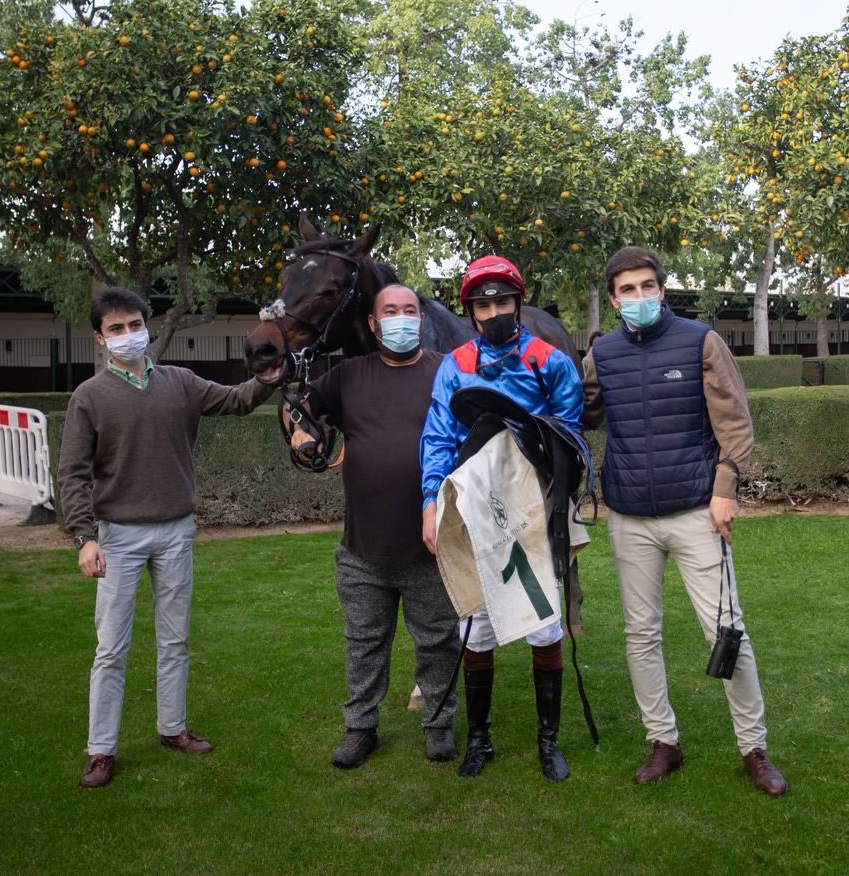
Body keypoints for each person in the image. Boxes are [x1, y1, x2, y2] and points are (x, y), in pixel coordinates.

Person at [581, 246, 788, 795]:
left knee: (726, 631)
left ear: (662, 289)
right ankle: (664, 742)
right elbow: (582, 412)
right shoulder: (601, 353)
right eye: (628, 289)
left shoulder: (701, 342)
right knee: (640, 635)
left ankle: (754, 747)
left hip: (698, 510)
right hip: (630, 517)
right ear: (613, 297)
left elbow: (735, 425)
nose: (640, 297)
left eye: (648, 286)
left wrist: (725, 492)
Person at [59, 286, 279, 790]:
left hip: (176, 531)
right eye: (116, 329)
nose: (128, 335)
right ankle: (101, 749)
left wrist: (269, 376)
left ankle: (172, 728)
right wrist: (83, 538)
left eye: (135, 325)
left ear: (147, 326)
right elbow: (71, 473)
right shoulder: (89, 398)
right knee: (111, 649)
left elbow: (235, 400)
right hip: (117, 538)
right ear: (100, 338)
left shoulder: (179, 382)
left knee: (175, 640)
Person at [419, 255, 584, 783]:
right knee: (478, 624)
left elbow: (571, 434)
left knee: (544, 624)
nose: (493, 312)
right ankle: (481, 739)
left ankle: (548, 741)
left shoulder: (550, 361)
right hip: (472, 507)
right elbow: (439, 436)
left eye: (502, 302)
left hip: (533, 507)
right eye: (483, 304)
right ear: (470, 311)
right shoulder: (455, 364)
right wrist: (430, 501)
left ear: (519, 302)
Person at [286, 283, 461, 769]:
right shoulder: (347, 375)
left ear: (421, 320)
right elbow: (299, 410)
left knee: (438, 642)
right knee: (364, 644)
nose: (402, 318)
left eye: (410, 310)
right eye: (391, 311)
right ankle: (361, 728)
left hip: (430, 545)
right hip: (363, 550)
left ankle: (439, 724)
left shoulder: (446, 372)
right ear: (372, 322)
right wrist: (300, 431)